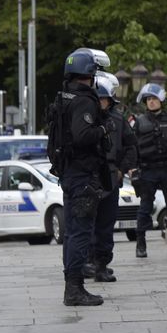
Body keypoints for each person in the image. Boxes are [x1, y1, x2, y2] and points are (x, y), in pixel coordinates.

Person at [55, 48, 114, 307]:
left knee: (71, 232)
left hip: (69, 172)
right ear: (90, 73)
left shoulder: (64, 97)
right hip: (82, 175)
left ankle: (72, 285)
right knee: (80, 232)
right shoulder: (84, 100)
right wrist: (103, 128)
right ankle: (75, 289)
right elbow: (82, 135)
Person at [82, 72, 137, 283]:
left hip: (112, 176)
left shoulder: (118, 120)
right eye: (97, 99)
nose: (100, 103)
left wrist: (122, 169)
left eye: (103, 99)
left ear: (109, 100)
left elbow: (131, 147)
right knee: (87, 223)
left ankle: (102, 265)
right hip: (90, 175)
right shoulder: (85, 120)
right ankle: (86, 263)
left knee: (106, 224)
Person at [129, 83, 167, 258]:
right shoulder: (139, 122)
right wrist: (133, 169)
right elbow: (132, 147)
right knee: (145, 207)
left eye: (154, 99)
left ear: (161, 100)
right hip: (147, 170)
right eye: (149, 99)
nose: (151, 102)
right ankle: (141, 244)